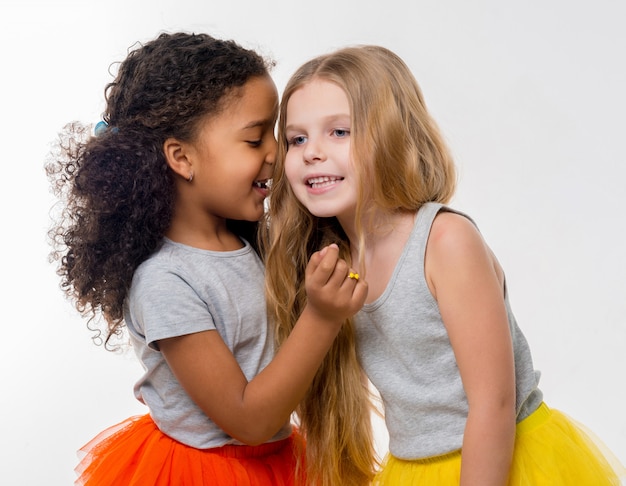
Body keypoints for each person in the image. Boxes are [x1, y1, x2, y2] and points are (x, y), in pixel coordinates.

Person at [262, 44, 626, 485]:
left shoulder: (445, 242)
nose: (311, 152)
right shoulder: (333, 261)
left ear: (392, 133)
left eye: (339, 132)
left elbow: (492, 404)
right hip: (415, 468)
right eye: (297, 138)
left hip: (497, 459)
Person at [46, 32, 367, 486]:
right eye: (256, 140)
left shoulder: (249, 241)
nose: (277, 153)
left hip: (277, 460)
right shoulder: (164, 282)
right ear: (181, 157)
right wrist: (321, 316)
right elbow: (249, 421)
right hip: (208, 471)